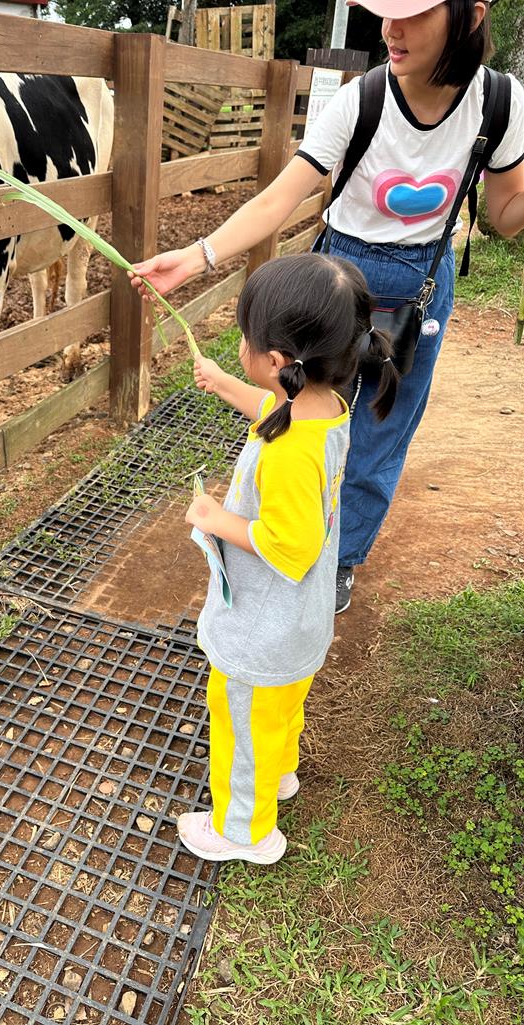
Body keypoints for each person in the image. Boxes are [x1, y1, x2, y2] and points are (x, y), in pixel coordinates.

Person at [132, 0, 524, 614]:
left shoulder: (499, 103)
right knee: (308, 412)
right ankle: (286, 529)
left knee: (381, 430)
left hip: (422, 284)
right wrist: (196, 257)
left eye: (414, 13)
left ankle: (338, 559)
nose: (390, 30)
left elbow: (505, 215)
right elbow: (278, 199)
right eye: (385, 11)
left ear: (470, 17)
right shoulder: (360, 100)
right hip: (338, 277)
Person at [177, 253, 398, 864]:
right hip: (298, 621)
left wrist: (216, 519)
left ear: (276, 362)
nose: (240, 346)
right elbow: (275, 410)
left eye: (245, 338)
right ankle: (277, 773)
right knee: (276, 710)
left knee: (240, 720)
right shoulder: (324, 409)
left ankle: (244, 832)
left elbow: (289, 545)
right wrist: (224, 383)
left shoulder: (288, 454)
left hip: (263, 628)